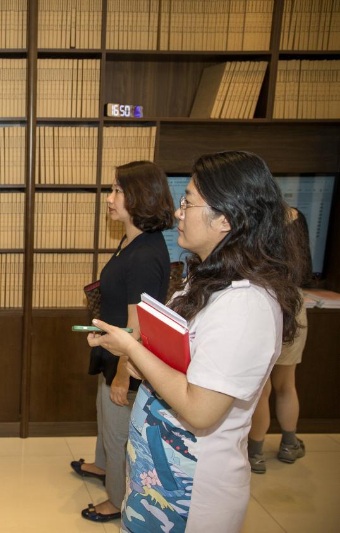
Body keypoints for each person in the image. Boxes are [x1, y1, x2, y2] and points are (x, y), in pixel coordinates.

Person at [88, 151, 304, 533]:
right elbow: (174, 364)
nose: (178, 213)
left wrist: (131, 349)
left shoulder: (246, 305)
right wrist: (138, 358)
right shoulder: (206, 280)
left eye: (188, 202)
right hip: (158, 478)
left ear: (225, 219)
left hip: (191, 492)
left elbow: (201, 410)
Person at [72, 161, 175, 523]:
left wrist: (122, 374)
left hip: (126, 359)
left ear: (140, 196)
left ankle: (117, 500)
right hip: (111, 347)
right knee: (104, 415)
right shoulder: (131, 240)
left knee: (118, 431)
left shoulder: (146, 254)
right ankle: (102, 467)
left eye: (117, 190)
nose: (109, 198)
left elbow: (138, 328)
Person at [248, 206, 312, 473]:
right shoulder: (296, 219)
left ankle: (255, 453)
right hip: (293, 305)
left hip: (262, 303)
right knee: (286, 385)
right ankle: (288, 444)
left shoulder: (257, 218)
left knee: (261, 390)